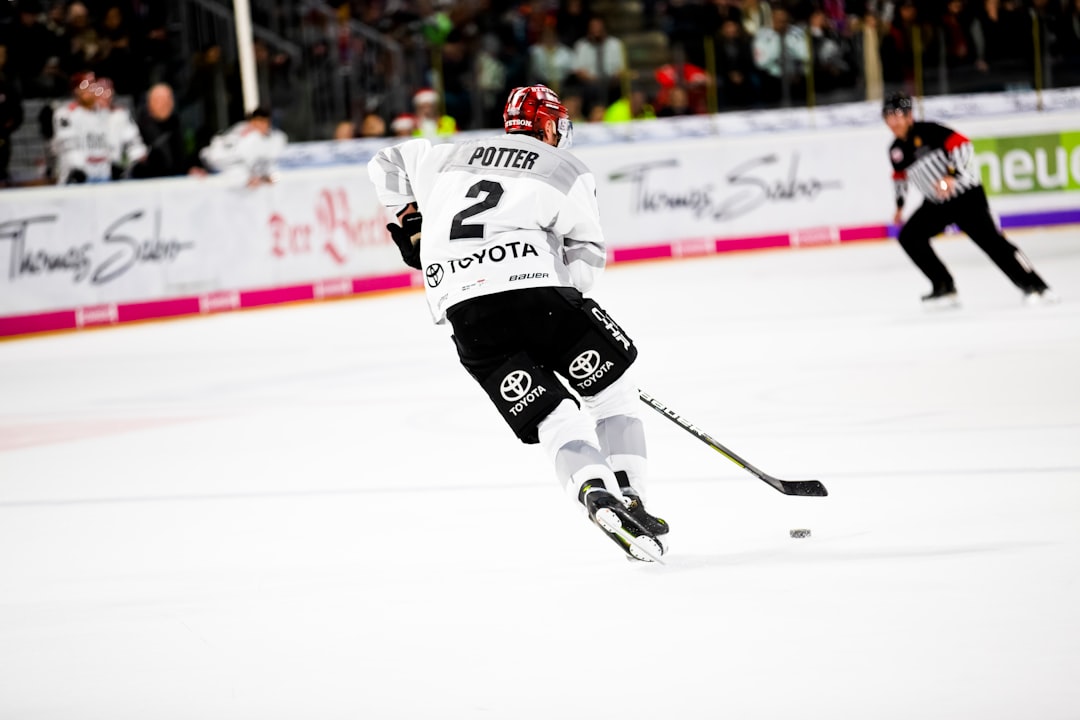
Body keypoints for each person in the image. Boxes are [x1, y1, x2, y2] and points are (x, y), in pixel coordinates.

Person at [366, 85, 668, 562]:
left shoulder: (449, 154)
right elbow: (586, 260)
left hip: (465, 313)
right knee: (611, 395)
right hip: (538, 296)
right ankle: (631, 496)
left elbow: (385, 162)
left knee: (553, 418)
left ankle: (594, 489)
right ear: (549, 125)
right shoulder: (565, 168)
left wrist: (414, 223)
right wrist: (565, 313)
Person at [883, 91, 1056, 306]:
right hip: (937, 203)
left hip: (966, 197)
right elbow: (900, 178)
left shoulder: (930, 131)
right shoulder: (896, 150)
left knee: (992, 243)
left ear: (909, 115)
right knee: (909, 237)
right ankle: (944, 286)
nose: (893, 121)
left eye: (898, 115)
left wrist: (952, 177)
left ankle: (1036, 286)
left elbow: (964, 145)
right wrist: (899, 207)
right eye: (889, 116)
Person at [199, 106, 287, 187]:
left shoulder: (277, 138)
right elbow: (221, 159)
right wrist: (245, 179)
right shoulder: (239, 135)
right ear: (252, 121)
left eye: (264, 121)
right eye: (257, 121)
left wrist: (266, 177)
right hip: (214, 169)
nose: (260, 125)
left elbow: (273, 165)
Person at [50, 71, 112, 184]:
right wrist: (78, 167)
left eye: (92, 86)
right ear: (76, 90)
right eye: (84, 86)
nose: (89, 90)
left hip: (103, 174)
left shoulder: (105, 113)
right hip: (77, 176)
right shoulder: (65, 114)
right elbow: (68, 146)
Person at [133, 82, 202, 177]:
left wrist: (193, 167)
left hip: (177, 182)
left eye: (168, 99)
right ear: (149, 103)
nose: (164, 104)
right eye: (159, 100)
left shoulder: (178, 124)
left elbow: (189, 154)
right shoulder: (137, 129)